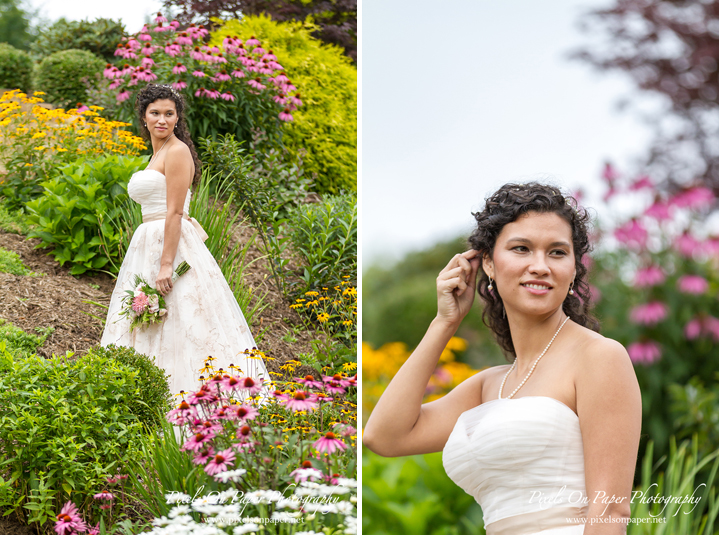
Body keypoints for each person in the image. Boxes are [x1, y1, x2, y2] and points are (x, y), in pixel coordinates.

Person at [363, 183, 642, 534]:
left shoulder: (599, 357)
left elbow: (611, 512)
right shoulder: (488, 385)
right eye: (521, 249)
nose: (540, 266)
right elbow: (384, 436)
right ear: (489, 264)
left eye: (557, 252)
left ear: (573, 269)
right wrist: (444, 323)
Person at [101, 83, 269, 396]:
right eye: (155, 113)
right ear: (144, 117)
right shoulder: (160, 152)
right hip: (149, 241)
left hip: (171, 245)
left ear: (178, 118)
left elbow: (175, 212)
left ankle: (190, 396)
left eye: (169, 113)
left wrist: (166, 264)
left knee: (183, 319)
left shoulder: (177, 151)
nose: (162, 119)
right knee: (155, 321)